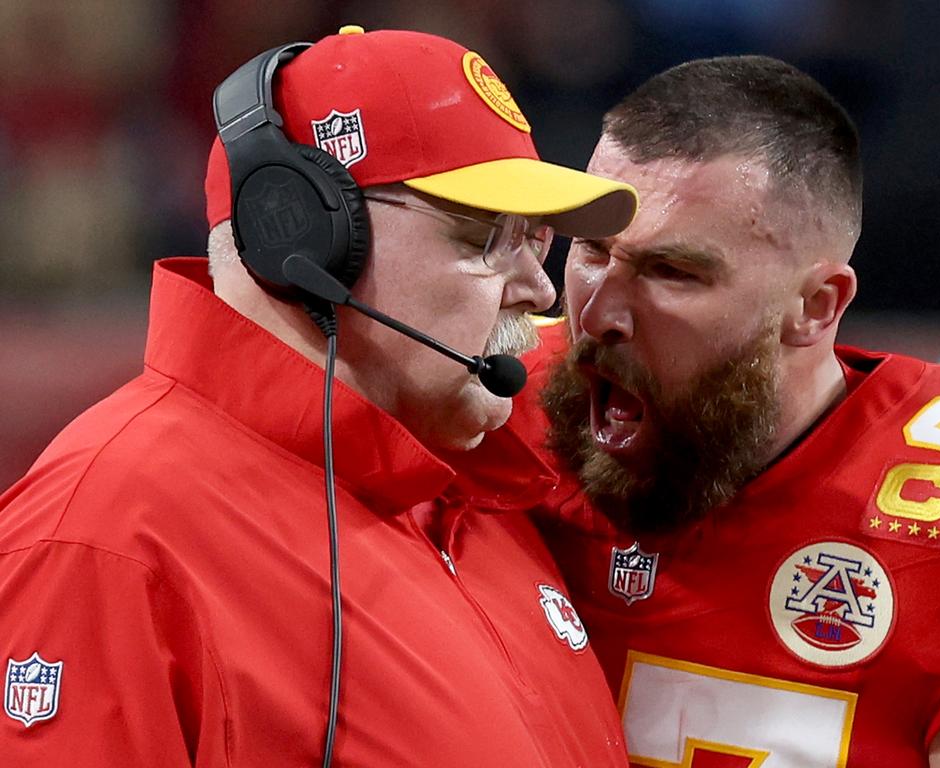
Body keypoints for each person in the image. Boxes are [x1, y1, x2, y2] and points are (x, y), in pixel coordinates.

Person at [0, 27, 640, 767]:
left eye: (535, 241)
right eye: (485, 239)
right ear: (302, 239)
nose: (540, 288)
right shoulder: (106, 540)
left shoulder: (465, 487)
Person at [509, 55, 940, 767]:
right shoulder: (478, 404)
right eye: (592, 251)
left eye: (671, 272)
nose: (598, 315)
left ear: (815, 307)